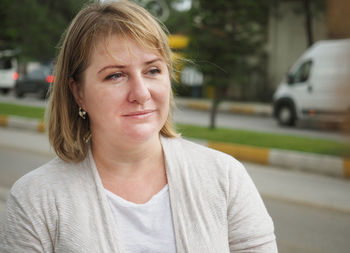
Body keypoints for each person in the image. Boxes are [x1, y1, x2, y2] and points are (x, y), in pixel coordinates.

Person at [0, 1, 278, 252]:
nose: (141, 93)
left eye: (153, 70)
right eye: (116, 75)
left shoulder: (225, 178)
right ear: (78, 92)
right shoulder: (36, 199)